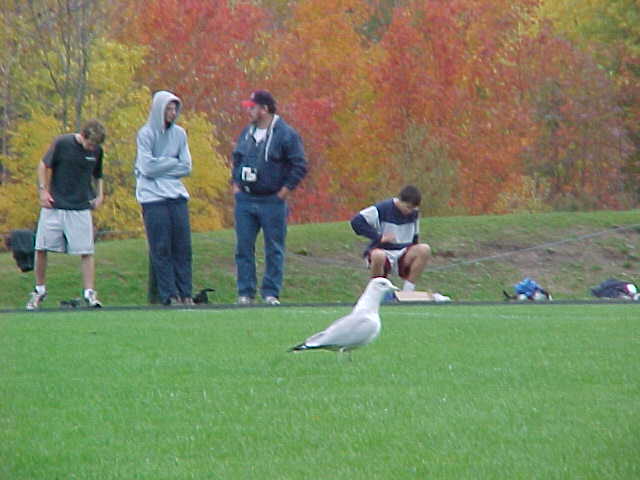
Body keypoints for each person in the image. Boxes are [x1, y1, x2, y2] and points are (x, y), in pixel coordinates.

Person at [232, 90, 307, 305]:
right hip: (246, 200)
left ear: (264, 109)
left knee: (274, 248)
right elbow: (236, 159)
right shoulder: (247, 132)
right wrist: (235, 184)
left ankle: (270, 293)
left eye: (253, 107)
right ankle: (245, 293)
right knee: (243, 247)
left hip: (272, 201)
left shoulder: (285, 134)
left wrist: (285, 190)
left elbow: (299, 165)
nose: (249, 111)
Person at [26, 120, 106, 310]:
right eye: (90, 144)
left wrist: (100, 195)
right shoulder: (62, 143)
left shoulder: (97, 151)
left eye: (95, 145)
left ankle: (89, 293)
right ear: (83, 136)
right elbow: (43, 165)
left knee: (86, 251)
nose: (91, 148)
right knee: (41, 247)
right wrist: (43, 191)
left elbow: (98, 175)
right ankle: (39, 290)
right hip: (55, 205)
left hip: (80, 207)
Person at [135, 90, 193, 306]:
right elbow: (147, 167)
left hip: (176, 195)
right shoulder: (146, 134)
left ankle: (186, 293)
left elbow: (186, 166)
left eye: (174, 109)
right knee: (161, 247)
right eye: (168, 109)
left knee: (182, 247)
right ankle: (169, 295)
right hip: (152, 198)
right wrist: (171, 161)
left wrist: (162, 163)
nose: (172, 113)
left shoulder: (180, 134)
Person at [350, 185, 432, 293]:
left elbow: (415, 237)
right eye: (408, 207)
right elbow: (356, 222)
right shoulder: (382, 208)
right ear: (400, 200)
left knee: (424, 249)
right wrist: (378, 237)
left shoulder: (414, 213)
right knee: (378, 256)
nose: (410, 211)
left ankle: (408, 291)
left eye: (412, 208)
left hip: (403, 253)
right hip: (382, 251)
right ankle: (376, 292)